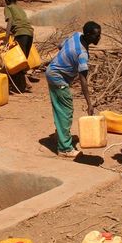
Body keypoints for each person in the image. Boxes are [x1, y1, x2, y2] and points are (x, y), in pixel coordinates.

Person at [45, 22, 100, 158]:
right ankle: (65, 148)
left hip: (52, 71)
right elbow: (83, 80)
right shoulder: (81, 54)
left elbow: (60, 46)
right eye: (96, 36)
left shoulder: (77, 35)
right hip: (57, 77)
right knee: (66, 109)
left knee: (60, 107)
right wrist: (89, 103)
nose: (99, 38)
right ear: (88, 35)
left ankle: (61, 136)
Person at [4, 0, 34, 93]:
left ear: (7, 1)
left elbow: (10, 21)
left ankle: (19, 87)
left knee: (17, 63)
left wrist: (6, 37)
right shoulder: (20, 9)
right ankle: (25, 85)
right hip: (29, 34)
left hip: (21, 34)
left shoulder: (8, 8)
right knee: (22, 62)